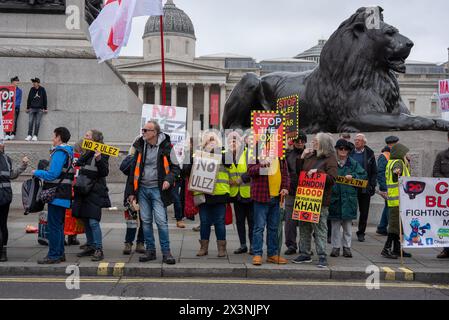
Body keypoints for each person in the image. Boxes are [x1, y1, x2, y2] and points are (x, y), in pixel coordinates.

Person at [125, 120, 180, 265]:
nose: (143, 132)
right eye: (143, 130)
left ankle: (166, 252)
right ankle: (150, 251)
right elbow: (133, 170)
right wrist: (131, 191)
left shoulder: (168, 146)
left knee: (161, 221)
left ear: (155, 133)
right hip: (142, 190)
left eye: (146, 130)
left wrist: (168, 180)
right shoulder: (140, 145)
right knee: (146, 221)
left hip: (158, 190)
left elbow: (176, 168)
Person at [293, 133, 338, 268]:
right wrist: (302, 157)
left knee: (320, 228)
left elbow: (332, 178)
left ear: (323, 143)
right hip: (306, 198)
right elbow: (299, 172)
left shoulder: (330, 158)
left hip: (320, 200)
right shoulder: (311, 156)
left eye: (316, 141)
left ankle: (322, 255)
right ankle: (305, 253)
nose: (313, 143)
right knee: (304, 227)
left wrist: (318, 173)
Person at [187, 131, 231, 258]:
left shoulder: (223, 152)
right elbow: (187, 169)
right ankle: (203, 247)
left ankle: (221, 248)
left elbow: (229, 163)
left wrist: (215, 150)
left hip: (220, 193)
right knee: (204, 222)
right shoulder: (197, 153)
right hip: (203, 194)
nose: (211, 141)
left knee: (219, 222)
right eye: (208, 140)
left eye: (213, 139)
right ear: (204, 141)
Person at [33, 127, 74, 264]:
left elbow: (53, 174)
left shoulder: (59, 152)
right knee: (59, 225)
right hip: (63, 193)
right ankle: (60, 253)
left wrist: (37, 172)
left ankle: (54, 255)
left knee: (54, 226)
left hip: (57, 194)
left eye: (54, 136)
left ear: (59, 137)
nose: (52, 138)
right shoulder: (68, 151)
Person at [248, 140, 290, 266]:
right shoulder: (255, 154)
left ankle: (272, 254)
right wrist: (262, 164)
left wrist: (285, 187)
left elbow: (285, 175)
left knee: (273, 228)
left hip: (276, 197)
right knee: (259, 227)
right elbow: (250, 171)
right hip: (261, 197)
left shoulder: (280, 157)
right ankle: (257, 254)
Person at [73, 130, 111, 262]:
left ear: (94, 139)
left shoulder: (103, 152)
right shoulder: (87, 151)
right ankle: (91, 245)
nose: (85, 137)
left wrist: (99, 158)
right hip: (83, 189)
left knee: (94, 221)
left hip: (95, 190)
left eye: (87, 135)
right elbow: (78, 164)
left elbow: (104, 171)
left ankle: (98, 249)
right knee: (85, 220)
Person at [328, 139, 367, 258]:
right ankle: (336, 247)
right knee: (335, 226)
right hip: (335, 198)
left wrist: (354, 176)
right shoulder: (332, 162)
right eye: (341, 148)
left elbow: (363, 175)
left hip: (349, 199)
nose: (343, 151)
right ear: (337, 149)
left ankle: (347, 247)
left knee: (348, 227)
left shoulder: (353, 163)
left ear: (348, 151)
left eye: (345, 149)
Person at [381, 143, 412, 259]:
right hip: (398, 199)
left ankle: (397, 249)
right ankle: (386, 249)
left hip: (395, 199)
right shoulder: (398, 163)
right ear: (400, 153)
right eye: (405, 153)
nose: (406, 155)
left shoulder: (391, 161)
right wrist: (397, 172)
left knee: (398, 226)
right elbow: (396, 173)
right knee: (395, 226)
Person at [0, 143, 29, 261]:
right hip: (6, 194)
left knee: (2, 224)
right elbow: (11, 175)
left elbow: (11, 175)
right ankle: (2, 252)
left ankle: (3, 252)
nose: (2, 145)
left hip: (4, 195)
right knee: (2, 224)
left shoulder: (6, 159)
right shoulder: (7, 159)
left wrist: (23, 166)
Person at [226, 131, 253, 255]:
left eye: (235, 139)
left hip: (249, 193)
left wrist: (241, 179)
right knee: (240, 221)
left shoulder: (248, 153)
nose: (233, 142)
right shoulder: (226, 155)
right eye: (230, 140)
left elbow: (252, 170)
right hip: (236, 194)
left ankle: (253, 245)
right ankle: (243, 245)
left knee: (252, 221)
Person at [350, 134, 377, 242]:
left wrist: (372, 185)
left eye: (359, 140)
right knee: (349, 208)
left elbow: (374, 171)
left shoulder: (370, 154)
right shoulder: (350, 152)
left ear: (364, 142)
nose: (356, 142)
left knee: (364, 211)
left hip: (365, 186)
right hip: (352, 185)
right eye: (355, 140)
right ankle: (345, 231)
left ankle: (361, 232)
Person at [120, 138, 145, 255]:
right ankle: (128, 243)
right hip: (131, 191)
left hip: (145, 191)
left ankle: (141, 242)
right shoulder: (133, 156)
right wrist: (133, 155)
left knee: (145, 219)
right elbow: (123, 168)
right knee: (131, 219)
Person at [284, 131, 307, 255]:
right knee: (290, 221)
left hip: (306, 192)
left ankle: (304, 245)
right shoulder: (288, 154)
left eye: (302, 141)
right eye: (297, 141)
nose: (299, 143)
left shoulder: (309, 154)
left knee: (305, 221)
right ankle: (291, 245)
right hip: (291, 191)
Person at [376, 136, 400, 236]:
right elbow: (381, 173)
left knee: (388, 206)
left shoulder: (394, 154)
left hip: (393, 187)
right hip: (388, 187)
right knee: (390, 207)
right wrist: (384, 188)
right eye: (396, 144)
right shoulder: (384, 156)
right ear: (391, 144)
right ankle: (391, 228)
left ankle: (382, 227)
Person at [432, 132, 449, 259]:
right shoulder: (441, 155)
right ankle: (446, 249)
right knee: (445, 223)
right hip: (444, 197)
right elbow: (436, 172)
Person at [26, 78, 47, 142]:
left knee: (37, 123)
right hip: (32, 108)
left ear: (38, 83)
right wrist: (28, 107)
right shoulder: (32, 89)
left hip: (40, 109)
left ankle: (35, 135)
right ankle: (29, 135)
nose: (34, 84)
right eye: (33, 83)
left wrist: (45, 108)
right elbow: (29, 98)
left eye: (35, 82)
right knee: (30, 122)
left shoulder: (42, 89)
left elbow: (45, 98)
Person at [5, 76, 22, 141]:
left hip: (15, 108)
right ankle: (7, 134)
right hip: (8, 108)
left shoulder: (19, 91)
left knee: (14, 121)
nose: (18, 82)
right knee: (7, 120)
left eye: (18, 81)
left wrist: (13, 106)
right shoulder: (8, 89)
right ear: (13, 82)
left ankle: (13, 134)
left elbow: (18, 101)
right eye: (16, 81)